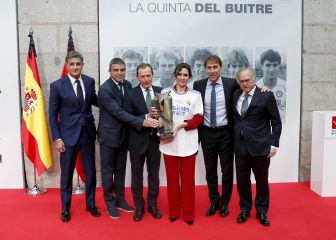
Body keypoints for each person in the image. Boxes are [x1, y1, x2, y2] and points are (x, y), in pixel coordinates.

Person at [97, 58, 159, 219]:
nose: (119, 73)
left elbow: (130, 111)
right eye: (116, 70)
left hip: (126, 135)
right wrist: (143, 120)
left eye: (122, 70)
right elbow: (120, 112)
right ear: (109, 71)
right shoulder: (105, 90)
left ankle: (121, 200)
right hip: (109, 135)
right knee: (107, 171)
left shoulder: (127, 85)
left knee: (120, 170)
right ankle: (110, 203)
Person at [49, 50, 100, 222]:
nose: (75, 67)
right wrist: (57, 138)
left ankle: (91, 204)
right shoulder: (57, 86)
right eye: (72, 64)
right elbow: (52, 115)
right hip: (67, 137)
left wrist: (115, 99)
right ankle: (65, 208)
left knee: (91, 171)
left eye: (78, 64)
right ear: (66, 65)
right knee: (66, 174)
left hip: (87, 133)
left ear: (82, 65)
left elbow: (96, 101)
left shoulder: (89, 81)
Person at [233, 67, 282, 227]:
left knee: (261, 181)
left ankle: (261, 210)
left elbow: (276, 121)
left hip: (261, 146)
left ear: (254, 79)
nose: (245, 83)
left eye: (248, 80)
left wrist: (274, 144)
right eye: (241, 81)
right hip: (240, 147)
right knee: (242, 181)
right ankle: (245, 209)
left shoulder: (266, 95)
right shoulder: (235, 95)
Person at [193, 55, 239, 218]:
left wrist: (263, 89)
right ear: (205, 69)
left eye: (215, 67)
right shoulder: (198, 85)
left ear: (221, 68)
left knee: (227, 170)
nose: (212, 71)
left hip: (226, 133)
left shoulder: (231, 84)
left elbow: (247, 91)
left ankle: (225, 202)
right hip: (207, 133)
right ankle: (214, 201)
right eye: (209, 68)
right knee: (210, 171)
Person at [160, 63, 204, 226]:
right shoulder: (165, 93)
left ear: (189, 77)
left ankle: (189, 214)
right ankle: (173, 212)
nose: (182, 78)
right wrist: (161, 130)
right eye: (179, 74)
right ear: (175, 75)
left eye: (185, 75)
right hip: (169, 144)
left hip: (188, 143)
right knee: (172, 181)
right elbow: (162, 119)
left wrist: (182, 125)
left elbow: (199, 118)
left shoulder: (195, 95)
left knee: (187, 182)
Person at [124, 63, 162, 222]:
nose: (146, 79)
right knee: (137, 176)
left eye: (148, 75)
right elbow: (127, 117)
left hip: (155, 141)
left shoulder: (161, 92)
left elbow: (167, 116)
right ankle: (139, 206)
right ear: (137, 77)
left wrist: (163, 121)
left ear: (152, 75)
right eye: (142, 76)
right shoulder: (130, 94)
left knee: (154, 175)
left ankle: (152, 205)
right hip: (137, 140)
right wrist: (145, 117)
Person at [256, 49, 286, 122]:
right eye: (268, 65)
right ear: (262, 66)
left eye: (275, 65)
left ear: (279, 66)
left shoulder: (286, 86)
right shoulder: (255, 87)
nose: (271, 69)